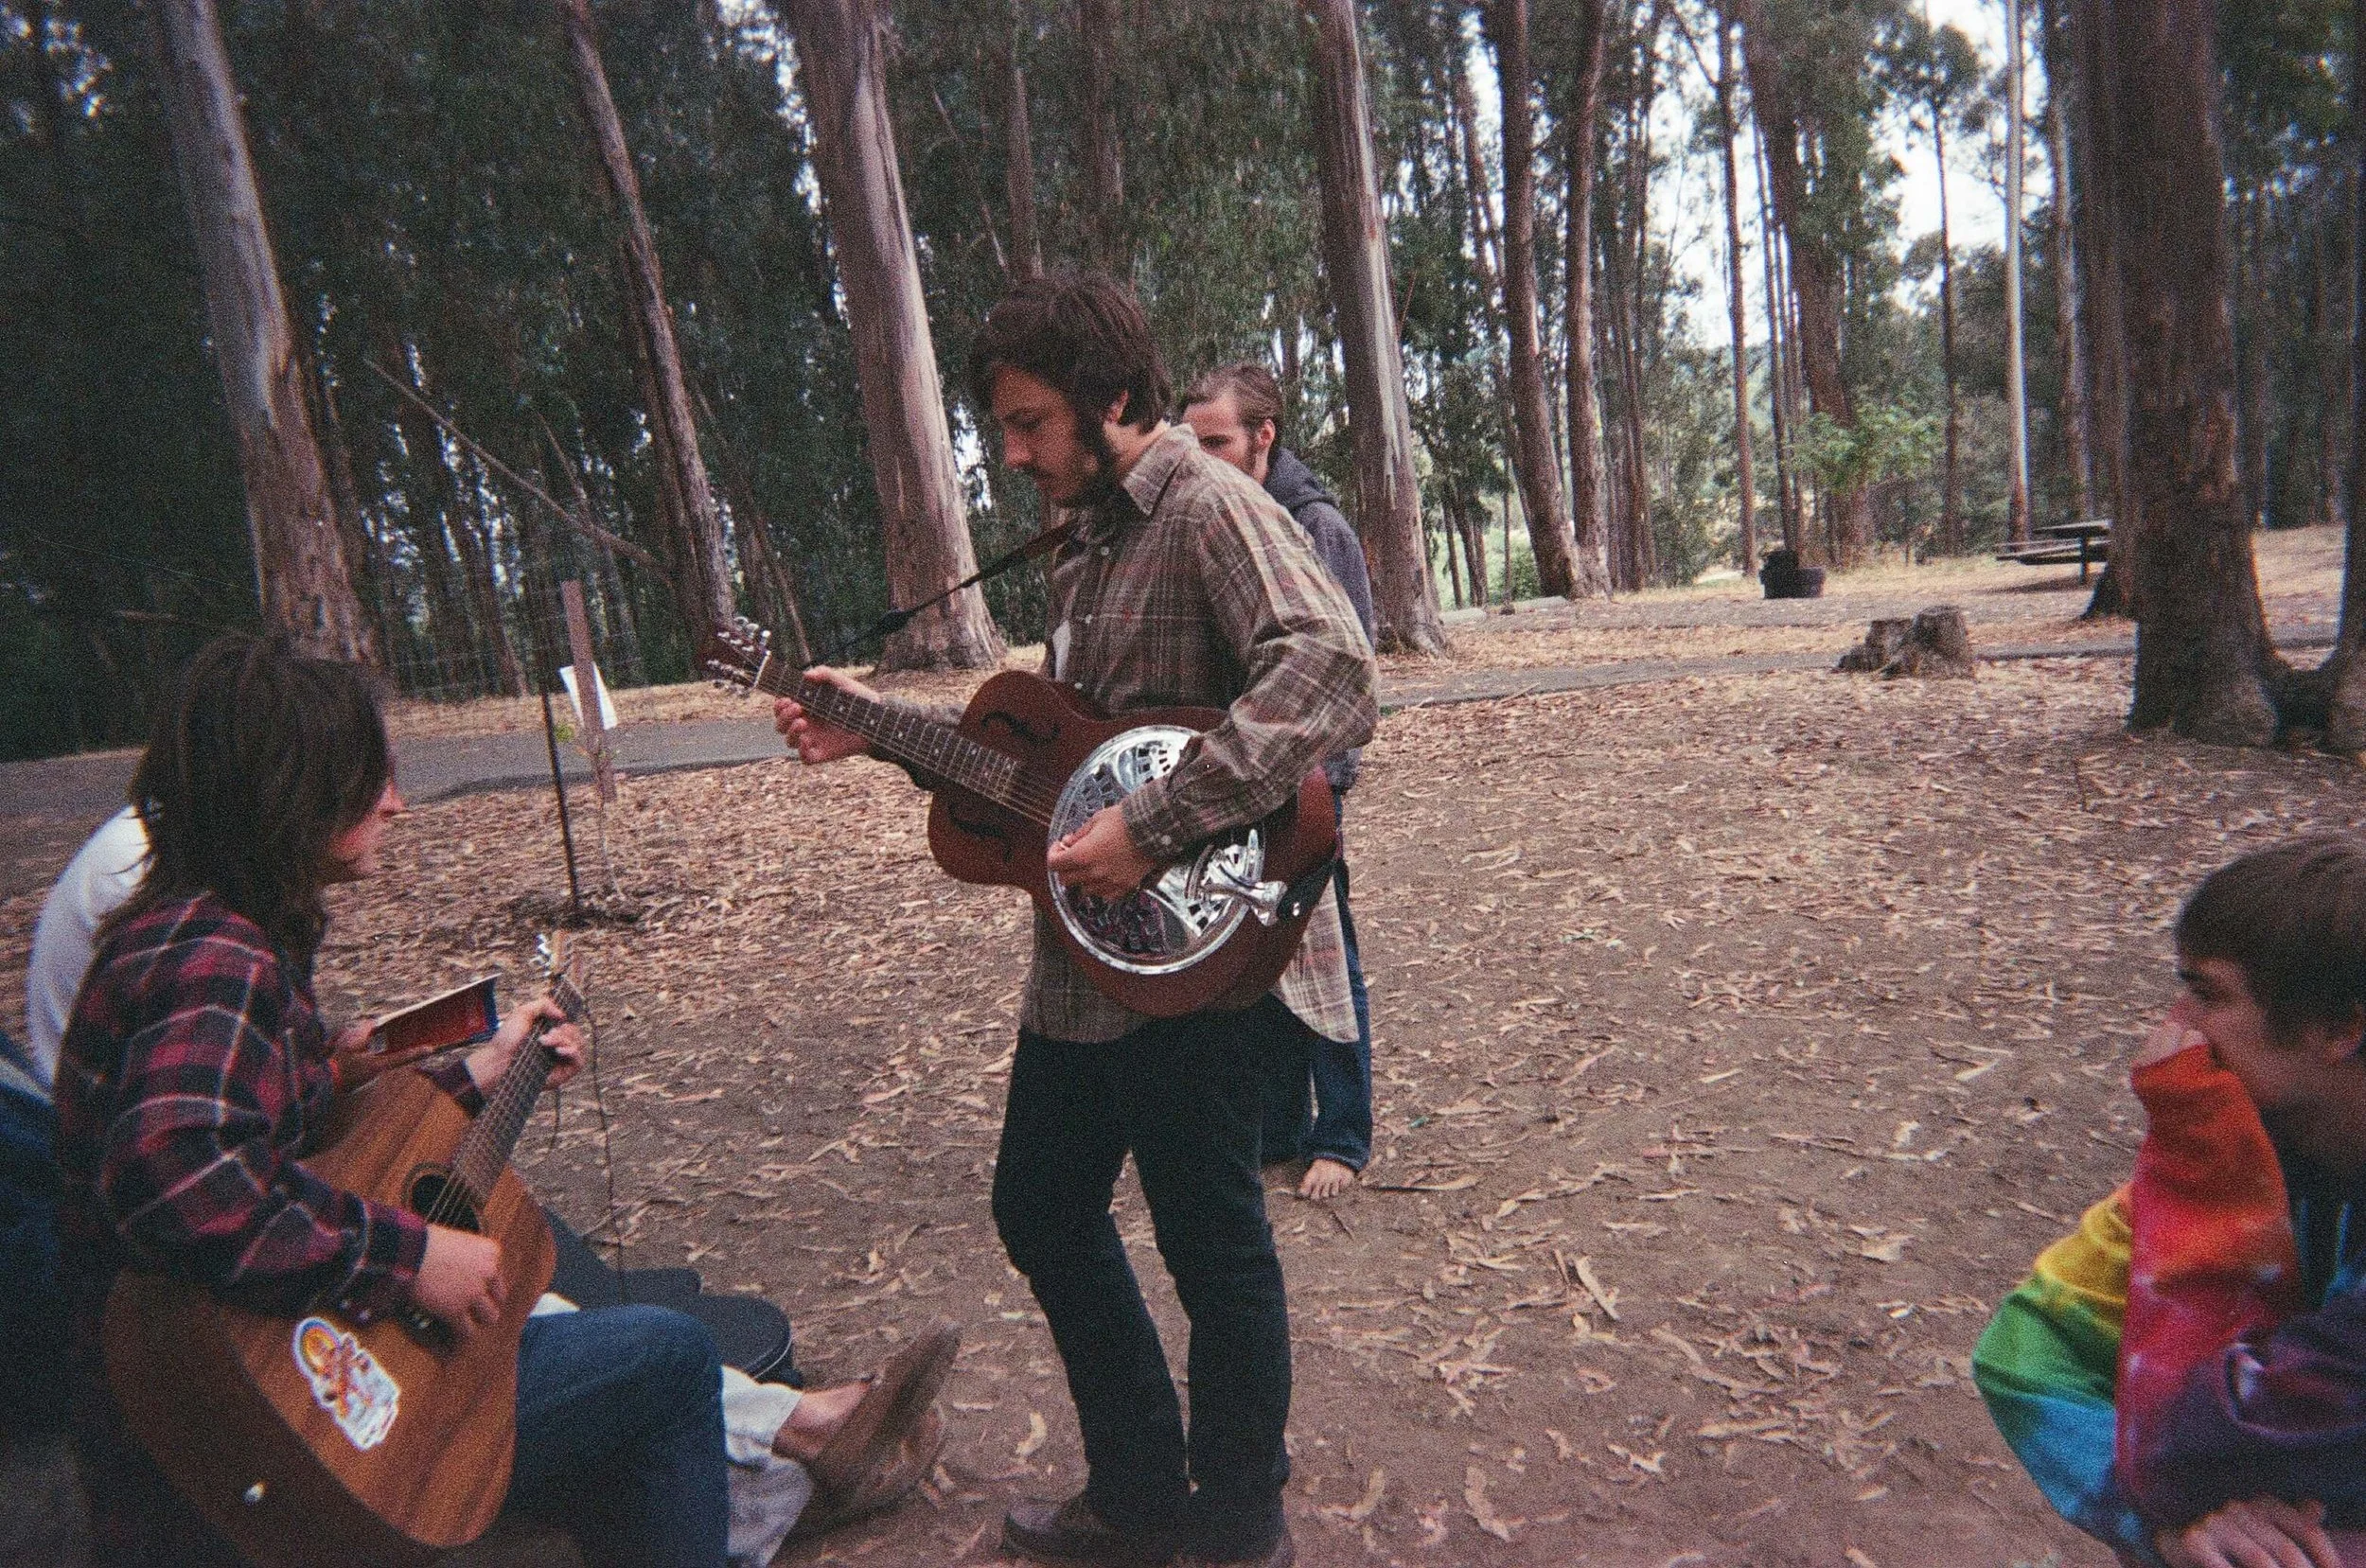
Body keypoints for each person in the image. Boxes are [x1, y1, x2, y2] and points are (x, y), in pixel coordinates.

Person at [51, 635, 944, 1566]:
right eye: (368, 780)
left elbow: (288, 1137)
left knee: (549, 1294)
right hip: (249, 1431)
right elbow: (177, 1179)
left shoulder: (201, 930)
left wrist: (477, 1076)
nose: (395, 801)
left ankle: (754, 1472)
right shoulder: (215, 962)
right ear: (289, 795)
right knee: (667, 1356)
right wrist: (407, 1256)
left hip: (232, 1390)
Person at [777, 272, 1377, 1568]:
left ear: (1114, 401)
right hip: (1086, 962)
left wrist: (1158, 823)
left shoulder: (1207, 508)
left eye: (1034, 421)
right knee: (1041, 1203)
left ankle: (1237, 1521)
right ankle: (1142, 1489)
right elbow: (1056, 767)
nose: (1013, 452)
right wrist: (873, 731)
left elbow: (1332, 670)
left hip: (1198, 960)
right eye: (1002, 425)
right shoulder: (1093, 533)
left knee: (1212, 1238)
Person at [1973, 837, 2366, 1568]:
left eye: (2209, 994)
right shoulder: (2249, 1157)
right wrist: (2170, 1531)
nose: (2176, 1026)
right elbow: (2024, 1348)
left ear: (2340, 1028)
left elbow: (2200, 1439)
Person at [1180, 362, 1376, 1204]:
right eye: (1192, 445)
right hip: (1242, 787)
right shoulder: (1228, 518)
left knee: (1327, 961)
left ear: (1264, 436)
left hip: (1302, 790)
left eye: (1217, 441)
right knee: (1260, 955)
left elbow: (1345, 673)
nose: (1204, 459)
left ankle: (1342, 1135)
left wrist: (1316, 797)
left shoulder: (1313, 525)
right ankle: (1282, 1126)